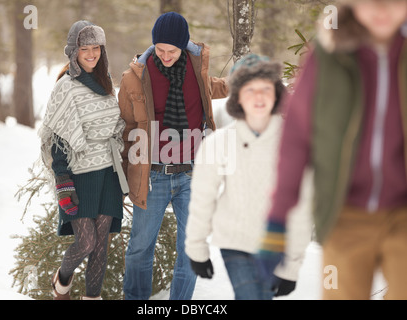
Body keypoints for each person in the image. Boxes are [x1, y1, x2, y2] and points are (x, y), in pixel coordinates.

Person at [259, 0, 407, 299]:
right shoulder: (328, 55)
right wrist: (277, 220)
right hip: (344, 215)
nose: (382, 10)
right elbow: (296, 138)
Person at [118, 11, 228, 300]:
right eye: (160, 50)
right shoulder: (135, 77)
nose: (165, 56)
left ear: (184, 45)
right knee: (140, 248)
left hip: (193, 172)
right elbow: (126, 129)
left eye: (172, 50)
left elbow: (209, 88)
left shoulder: (196, 66)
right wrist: (121, 174)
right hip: (153, 173)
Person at [185, 54, 313, 300]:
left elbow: (302, 206)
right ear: (237, 96)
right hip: (234, 242)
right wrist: (197, 249)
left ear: (277, 94)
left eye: (265, 89)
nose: (258, 96)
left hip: (275, 243)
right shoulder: (218, 143)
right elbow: (202, 198)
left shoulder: (294, 144)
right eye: (249, 89)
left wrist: (292, 266)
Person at [38, 20, 128, 300]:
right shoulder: (65, 87)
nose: (91, 54)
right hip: (80, 174)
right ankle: (61, 282)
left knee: (101, 246)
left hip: (108, 174)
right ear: (73, 52)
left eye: (96, 48)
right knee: (86, 242)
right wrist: (63, 181)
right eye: (84, 48)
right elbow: (57, 138)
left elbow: (114, 127)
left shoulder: (106, 82)